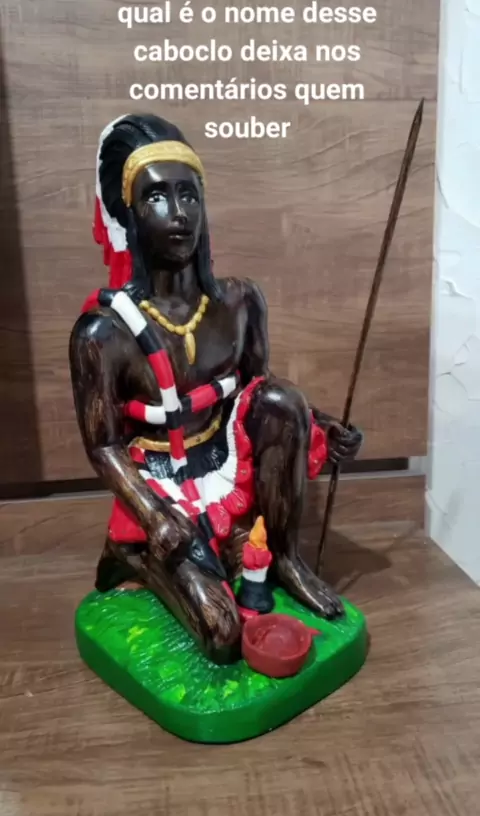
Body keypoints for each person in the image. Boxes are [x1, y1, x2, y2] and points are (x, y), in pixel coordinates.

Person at [69, 113, 363, 663]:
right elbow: (103, 445)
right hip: (161, 491)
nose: (179, 213)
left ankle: (285, 558)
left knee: (282, 401)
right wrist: (153, 515)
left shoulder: (239, 302)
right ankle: (137, 559)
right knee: (222, 634)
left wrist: (319, 422)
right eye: (157, 197)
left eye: (189, 195)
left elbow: (257, 392)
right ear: (130, 213)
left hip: (228, 467)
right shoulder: (103, 333)